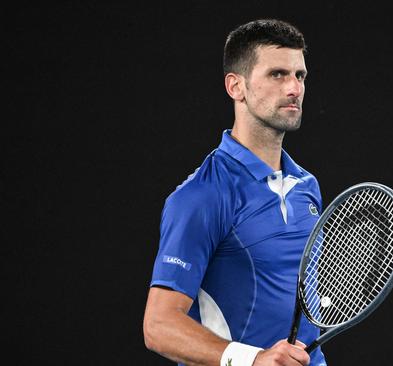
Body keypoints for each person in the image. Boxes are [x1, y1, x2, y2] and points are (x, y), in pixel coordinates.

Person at [143, 19, 327, 366]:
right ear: (235, 86)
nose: (294, 89)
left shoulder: (308, 187)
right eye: (277, 74)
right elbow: (158, 325)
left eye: (299, 76)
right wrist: (253, 359)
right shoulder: (201, 195)